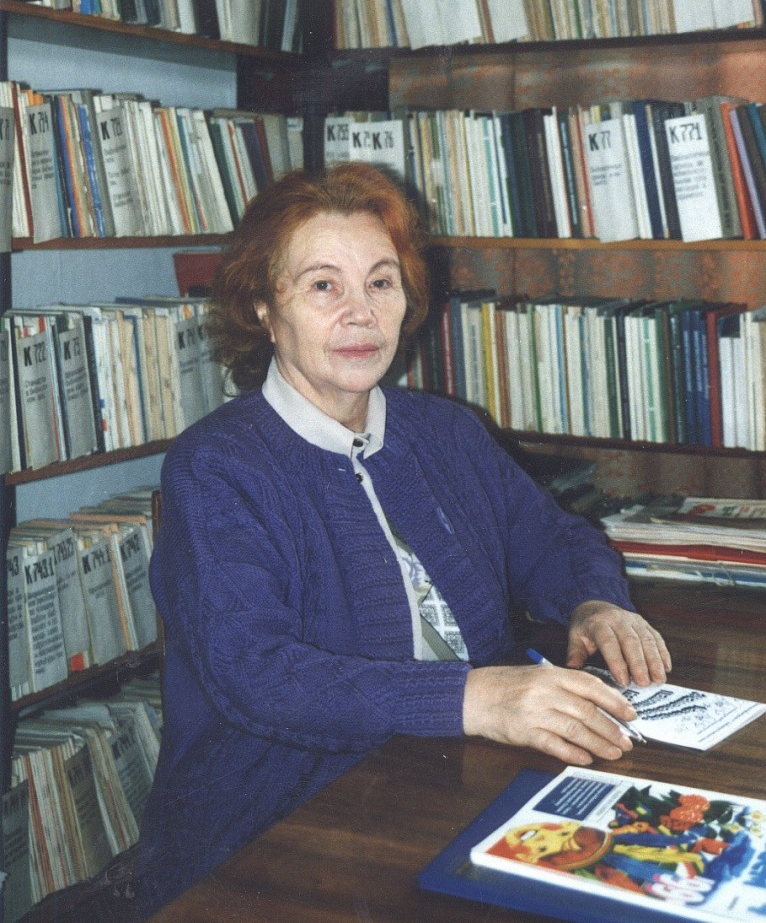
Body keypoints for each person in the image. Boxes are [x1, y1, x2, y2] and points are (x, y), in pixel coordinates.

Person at [135, 162, 671, 916]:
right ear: (263, 306)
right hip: (275, 829)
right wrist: (474, 697)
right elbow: (258, 674)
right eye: (324, 286)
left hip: (458, 780)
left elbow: (553, 538)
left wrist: (595, 603)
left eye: (380, 283)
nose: (360, 313)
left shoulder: (444, 430)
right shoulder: (217, 467)